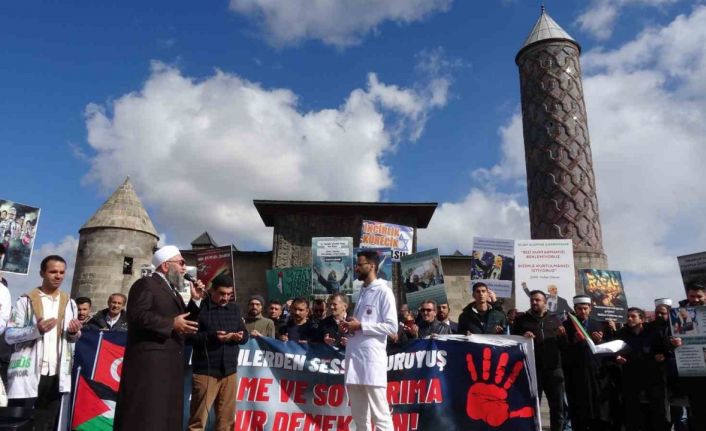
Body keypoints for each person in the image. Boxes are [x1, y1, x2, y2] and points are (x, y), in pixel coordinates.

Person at [114, 245, 203, 431]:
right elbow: (138, 315)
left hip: (169, 364)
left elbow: (184, 322)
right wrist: (171, 323)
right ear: (165, 265)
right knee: (147, 416)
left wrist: (195, 301)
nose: (184, 268)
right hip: (150, 365)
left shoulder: (173, 292)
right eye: (181, 263)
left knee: (165, 416)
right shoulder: (146, 284)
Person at [5, 255, 82, 430]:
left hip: (56, 373)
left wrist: (73, 333)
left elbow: (73, 339)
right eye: (53, 271)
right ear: (42, 273)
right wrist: (36, 330)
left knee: (46, 423)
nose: (58, 276)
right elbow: (9, 334)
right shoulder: (26, 301)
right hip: (28, 371)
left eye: (62, 272)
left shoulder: (70, 303)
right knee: (20, 423)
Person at [340, 250, 397, 431]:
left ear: (371, 266)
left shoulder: (384, 292)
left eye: (359, 264)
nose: (356, 268)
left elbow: (391, 327)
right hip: (354, 361)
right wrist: (350, 326)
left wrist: (361, 326)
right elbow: (360, 324)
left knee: (380, 417)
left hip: (372, 363)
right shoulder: (363, 292)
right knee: (359, 418)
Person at [187, 274, 248, 431]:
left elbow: (245, 335)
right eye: (222, 293)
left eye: (229, 294)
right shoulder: (200, 307)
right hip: (205, 373)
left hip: (229, 373)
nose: (225, 298)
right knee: (198, 421)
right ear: (212, 291)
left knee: (226, 422)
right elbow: (188, 337)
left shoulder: (234, 309)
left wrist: (239, 337)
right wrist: (213, 337)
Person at [512, 290, 566, 431]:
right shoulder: (522, 320)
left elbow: (564, 346)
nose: (534, 302)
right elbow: (513, 341)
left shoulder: (555, 319)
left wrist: (562, 336)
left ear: (545, 302)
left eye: (537, 300)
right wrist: (523, 336)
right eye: (532, 300)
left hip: (554, 370)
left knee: (557, 409)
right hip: (532, 370)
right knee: (531, 407)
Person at [561, 295, 616, 431]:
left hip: (596, 371)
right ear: (575, 309)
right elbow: (561, 348)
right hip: (576, 371)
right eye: (579, 309)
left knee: (598, 408)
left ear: (590, 308)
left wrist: (601, 340)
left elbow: (609, 346)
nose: (583, 312)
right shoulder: (567, 325)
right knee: (579, 407)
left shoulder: (599, 324)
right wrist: (573, 341)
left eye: (585, 308)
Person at [615, 307, 670, 431]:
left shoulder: (654, 332)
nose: (629, 319)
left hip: (653, 376)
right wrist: (618, 358)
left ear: (642, 319)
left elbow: (666, 350)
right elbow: (615, 351)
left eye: (633, 316)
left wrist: (662, 356)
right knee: (632, 412)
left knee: (658, 411)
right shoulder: (621, 334)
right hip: (631, 376)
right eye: (628, 316)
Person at [674, 280, 706, 431]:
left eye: (699, 296)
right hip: (694, 372)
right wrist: (673, 343)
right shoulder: (678, 314)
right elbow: (670, 338)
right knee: (697, 413)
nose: (696, 299)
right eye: (692, 296)